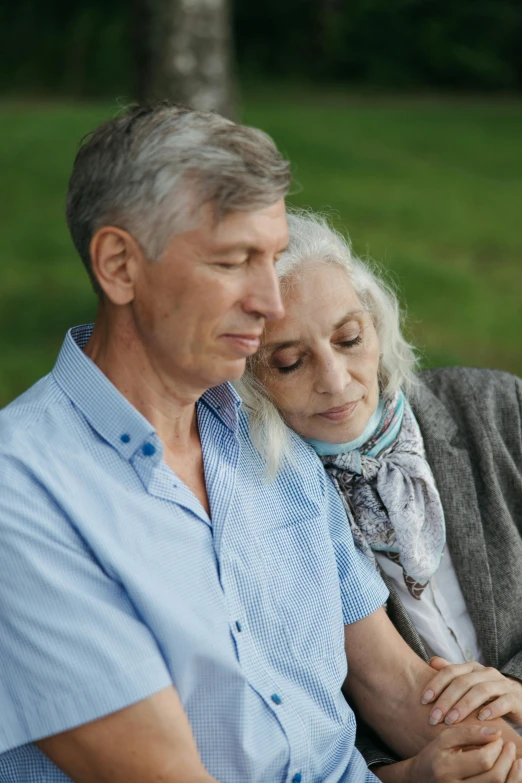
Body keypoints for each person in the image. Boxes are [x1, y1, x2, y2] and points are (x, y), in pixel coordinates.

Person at [0, 105, 520, 783]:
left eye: (272, 259)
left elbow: (399, 690)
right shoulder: (25, 488)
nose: (271, 301)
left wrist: (487, 753)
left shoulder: (272, 449)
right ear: (120, 266)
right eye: (234, 261)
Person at [237, 208, 522, 780]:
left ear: (376, 322)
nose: (337, 380)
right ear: (244, 375)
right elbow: (292, 721)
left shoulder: (496, 408)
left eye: (349, 339)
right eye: (290, 362)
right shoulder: (261, 504)